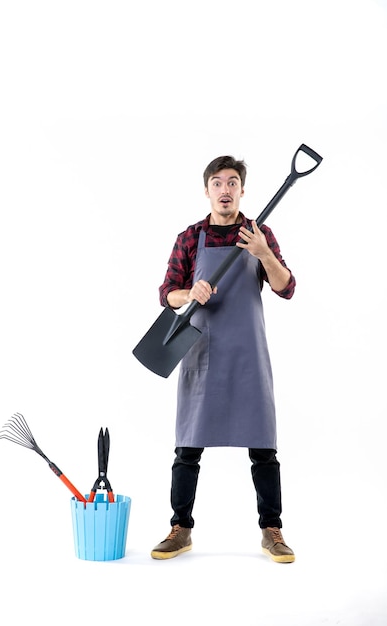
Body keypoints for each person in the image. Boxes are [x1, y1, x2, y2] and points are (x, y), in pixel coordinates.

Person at [150, 155, 296, 564]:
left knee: (263, 447)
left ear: (242, 190)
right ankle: (181, 528)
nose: (226, 189)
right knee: (188, 447)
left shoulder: (258, 233)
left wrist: (265, 253)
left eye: (233, 182)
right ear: (207, 190)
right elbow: (167, 293)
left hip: (249, 354)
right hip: (203, 352)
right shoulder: (189, 237)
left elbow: (286, 288)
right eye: (218, 182)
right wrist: (187, 294)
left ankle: (272, 530)